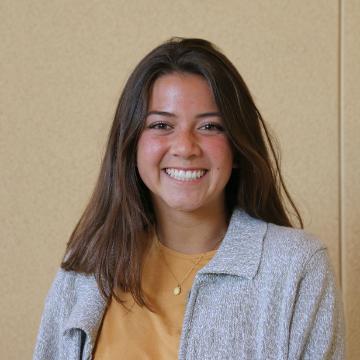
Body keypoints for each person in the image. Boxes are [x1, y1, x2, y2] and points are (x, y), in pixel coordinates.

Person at [33, 37, 345, 359]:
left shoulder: (298, 267)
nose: (184, 147)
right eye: (162, 124)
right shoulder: (88, 264)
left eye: (210, 126)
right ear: (131, 145)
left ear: (237, 146)